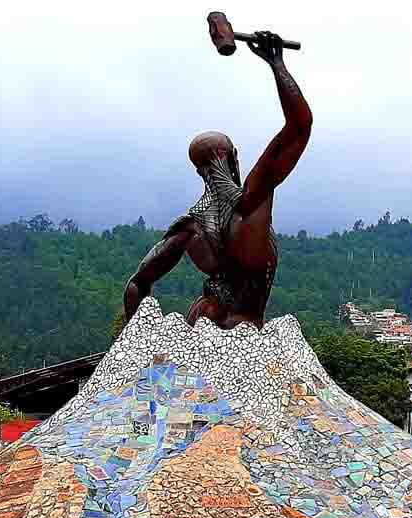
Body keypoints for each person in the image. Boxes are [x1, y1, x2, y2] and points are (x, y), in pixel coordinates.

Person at [123, 31, 312, 330]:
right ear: (234, 158)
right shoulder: (250, 203)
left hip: (202, 330)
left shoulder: (190, 227)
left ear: (199, 170)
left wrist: (140, 343)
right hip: (241, 334)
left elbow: (137, 283)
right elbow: (300, 127)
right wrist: (277, 63)